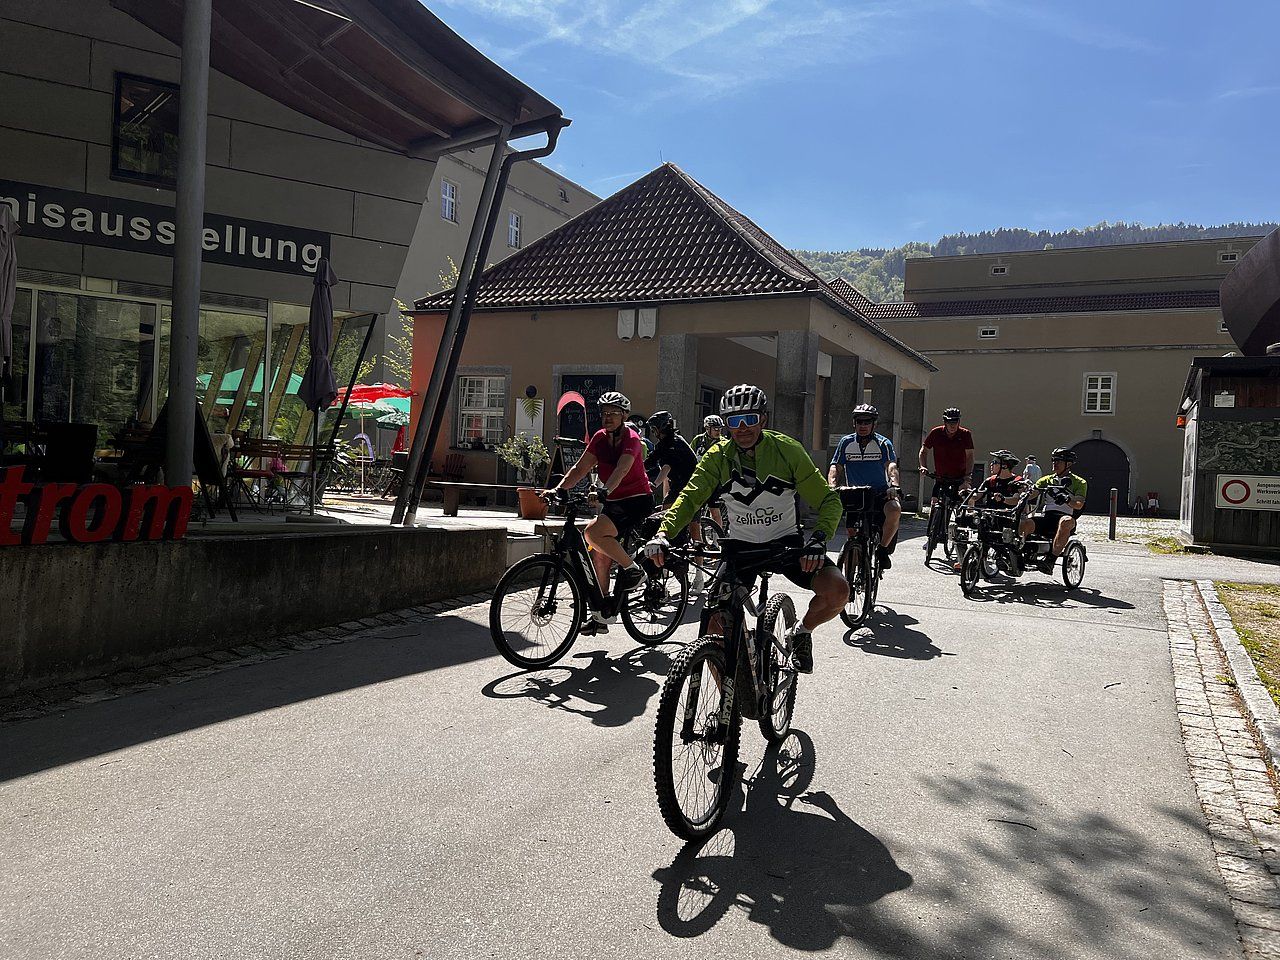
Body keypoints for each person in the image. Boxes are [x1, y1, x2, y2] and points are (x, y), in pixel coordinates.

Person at [645, 384, 847, 674]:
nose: (742, 428)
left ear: (763, 419)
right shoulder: (717, 456)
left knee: (838, 591)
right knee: (712, 626)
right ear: (725, 424)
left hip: (787, 546)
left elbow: (828, 499)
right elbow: (690, 497)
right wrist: (663, 534)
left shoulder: (787, 450)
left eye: (749, 419)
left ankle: (801, 632)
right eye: (734, 421)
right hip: (740, 550)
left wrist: (818, 539)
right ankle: (728, 705)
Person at [544, 391, 651, 635]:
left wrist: (603, 491)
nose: (607, 417)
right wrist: (557, 490)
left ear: (624, 415)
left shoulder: (631, 439)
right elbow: (581, 467)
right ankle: (602, 613)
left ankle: (633, 570)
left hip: (636, 500)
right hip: (613, 501)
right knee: (600, 556)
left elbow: (623, 469)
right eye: (604, 413)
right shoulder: (600, 438)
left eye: (613, 413)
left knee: (593, 532)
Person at [829, 403, 901, 571]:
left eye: (867, 422)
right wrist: (831, 486)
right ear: (854, 423)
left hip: (879, 493)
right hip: (855, 494)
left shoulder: (883, 443)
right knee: (852, 538)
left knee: (894, 509)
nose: (863, 426)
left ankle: (882, 550)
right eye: (859, 422)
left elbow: (891, 466)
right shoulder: (845, 442)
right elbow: (835, 467)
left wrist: (895, 486)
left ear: (873, 424)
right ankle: (848, 584)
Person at [1020, 447, 1087, 572]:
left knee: (1065, 521)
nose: (1054, 463)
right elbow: (1033, 493)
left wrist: (1067, 499)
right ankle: (1020, 554)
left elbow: (1078, 504)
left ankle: (1051, 559)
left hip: (1066, 517)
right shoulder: (1046, 480)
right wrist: (1024, 493)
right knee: (1024, 523)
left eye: (1058, 461)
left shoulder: (1079, 482)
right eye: (1053, 460)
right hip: (1048, 516)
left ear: (1069, 464)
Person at [644, 411, 697, 507]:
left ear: (660, 428)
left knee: (668, 508)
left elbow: (666, 467)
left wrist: (655, 484)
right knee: (667, 507)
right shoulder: (663, 443)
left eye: (653, 429)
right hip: (677, 483)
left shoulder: (675, 443)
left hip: (690, 483)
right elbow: (650, 461)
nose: (652, 432)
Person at [919, 407, 974, 499]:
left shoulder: (965, 434)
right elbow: (924, 451)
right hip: (941, 477)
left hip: (960, 478)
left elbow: (970, 456)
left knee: (967, 498)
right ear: (945, 422)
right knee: (935, 503)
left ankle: (969, 513)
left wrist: (967, 476)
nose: (953, 426)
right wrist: (923, 466)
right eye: (950, 423)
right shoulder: (936, 433)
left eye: (955, 422)